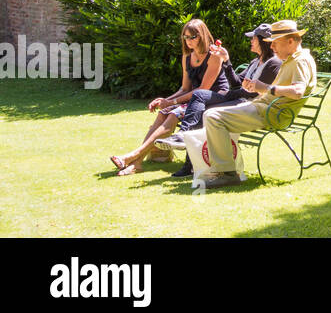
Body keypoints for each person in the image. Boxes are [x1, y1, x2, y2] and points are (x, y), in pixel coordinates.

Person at [200, 19, 317, 188]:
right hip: (264, 108)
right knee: (212, 114)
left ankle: (226, 173)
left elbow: (297, 91)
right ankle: (223, 170)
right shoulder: (292, 59)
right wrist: (256, 88)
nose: (271, 47)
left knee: (213, 116)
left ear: (291, 41)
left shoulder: (300, 61)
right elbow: (276, 92)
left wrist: (266, 88)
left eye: (275, 43)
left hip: (271, 114)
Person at [159, 23, 284, 178]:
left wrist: (235, 92)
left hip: (249, 105)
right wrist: (226, 60)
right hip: (238, 98)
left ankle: (185, 145)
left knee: (202, 104)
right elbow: (237, 83)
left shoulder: (273, 63)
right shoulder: (255, 62)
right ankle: (186, 151)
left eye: (254, 38)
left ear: (263, 41)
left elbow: (253, 93)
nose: (251, 41)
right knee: (200, 98)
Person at [110, 19, 229, 176]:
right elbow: (185, 88)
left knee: (174, 114)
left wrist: (171, 102)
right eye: (185, 37)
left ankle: (134, 156)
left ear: (202, 36)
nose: (188, 41)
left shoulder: (214, 56)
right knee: (163, 112)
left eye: (192, 37)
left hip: (214, 99)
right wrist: (164, 100)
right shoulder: (187, 57)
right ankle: (137, 163)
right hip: (195, 99)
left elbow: (203, 89)